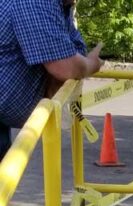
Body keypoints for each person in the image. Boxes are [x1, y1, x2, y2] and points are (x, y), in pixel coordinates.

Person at [0, 0, 103, 161]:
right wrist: (91, 64)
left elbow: (76, 50)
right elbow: (66, 67)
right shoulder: (34, 2)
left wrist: (80, 63)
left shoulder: (60, 6)